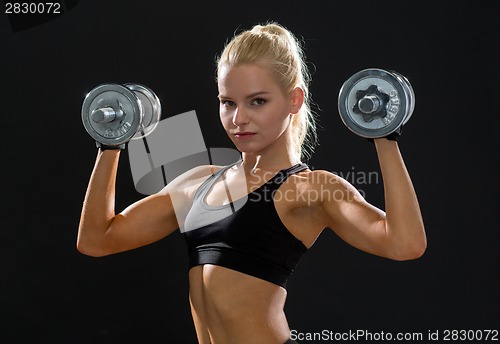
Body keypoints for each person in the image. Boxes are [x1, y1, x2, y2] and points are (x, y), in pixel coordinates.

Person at [77, 22, 426, 344]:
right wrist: (111, 143)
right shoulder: (199, 183)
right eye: (228, 103)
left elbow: (404, 244)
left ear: (294, 99)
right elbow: (97, 239)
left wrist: (384, 137)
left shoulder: (308, 189)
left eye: (257, 101)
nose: (238, 119)